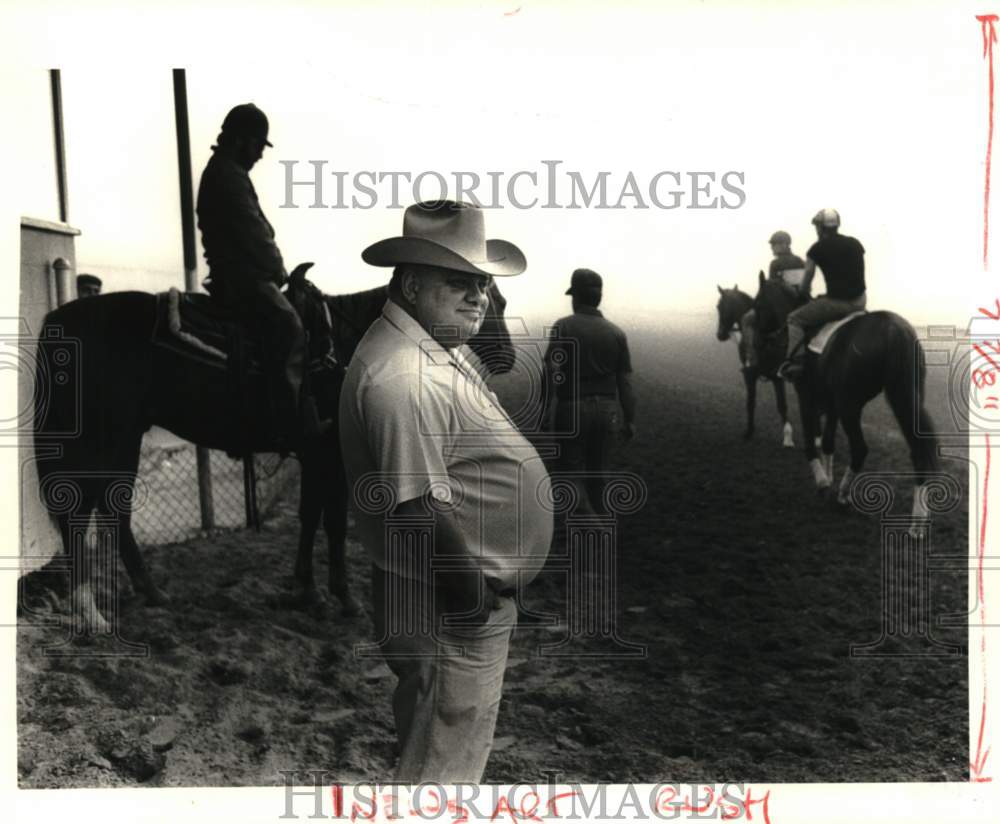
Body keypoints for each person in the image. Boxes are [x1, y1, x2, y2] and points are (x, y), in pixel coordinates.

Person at [339, 200, 553, 783]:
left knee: (437, 748)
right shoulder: (401, 376)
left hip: (442, 594)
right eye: (459, 283)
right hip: (447, 602)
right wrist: (472, 599)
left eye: (483, 284)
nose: (479, 296)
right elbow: (415, 506)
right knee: (441, 776)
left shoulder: (432, 349)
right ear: (411, 284)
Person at [195, 103, 314, 446]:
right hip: (243, 281)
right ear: (243, 141)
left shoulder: (226, 171)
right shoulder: (227, 175)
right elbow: (254, 235)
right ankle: (288, 425)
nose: (261, 154)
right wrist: (280, 271)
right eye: (260, 145)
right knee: (289, 326)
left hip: (240, 275)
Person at [543, 268, 636, 515]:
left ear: (575, 297)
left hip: (572, 408)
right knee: (599, 475)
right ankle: (602, 525)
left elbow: (552, 370)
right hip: (607, 410)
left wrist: (543, 411)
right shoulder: (617, 333)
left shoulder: (563, 326)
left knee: (568, 475)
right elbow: (624, 381)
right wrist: (630, 418)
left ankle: (588, 527)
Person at [778, 208, 867, 380]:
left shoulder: (816, 249)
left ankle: (796, 364)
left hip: (837, 304)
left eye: (816, 227)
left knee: (794, 319)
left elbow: (805, 285)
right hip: (860, 301)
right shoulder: (856, 243)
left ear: (819, 228)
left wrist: (801, 294)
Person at [739, 231, 805, 369]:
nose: (772, 248)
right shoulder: (800, 261)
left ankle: (751, 359)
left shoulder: (775, 264)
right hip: (799, 304)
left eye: (774, 244)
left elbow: (769, 290)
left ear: (785, 244)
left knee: (746, 319)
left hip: (778, 307)